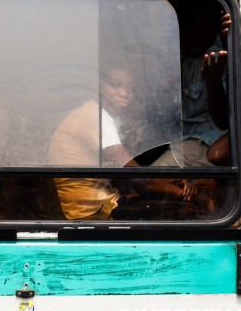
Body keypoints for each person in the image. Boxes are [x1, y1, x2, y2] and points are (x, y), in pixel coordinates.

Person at [48, 67, 196, 220]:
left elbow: (128, 175)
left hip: (88, 207)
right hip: (88, 215)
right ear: (98, 87)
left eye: (130, 89)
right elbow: (141, 181)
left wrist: (168, 182)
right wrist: (185, 194)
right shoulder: (95, 117)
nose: (125, 94)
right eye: (115, 85)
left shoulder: (92, 113)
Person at [152, 0, 231, 167]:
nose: (198, 38)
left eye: (207, 32)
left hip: (204, 142)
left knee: (151, 181)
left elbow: (223, 119)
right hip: (181, 138)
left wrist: (213, 83)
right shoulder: (185, 58)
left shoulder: (214, 59)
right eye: (192, 31)